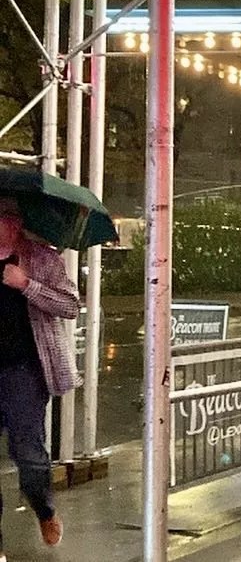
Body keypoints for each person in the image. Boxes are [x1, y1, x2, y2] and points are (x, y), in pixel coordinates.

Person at [0, 199, 78, 556]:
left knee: (27, 452)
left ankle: (44, 509)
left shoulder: (43, 259)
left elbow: (70, 306)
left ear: (14, 224)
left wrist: (26, 284)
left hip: (24, 371)